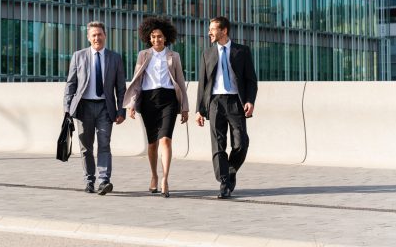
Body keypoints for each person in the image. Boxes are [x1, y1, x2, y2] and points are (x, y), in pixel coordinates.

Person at [124, 17, 189, 198]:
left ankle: (165, 179)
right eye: (153, 37)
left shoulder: (173, 56)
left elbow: (181, 82)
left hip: (168, 99)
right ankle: (154, 175)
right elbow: (137, 81)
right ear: (148, 38)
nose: (156, 40)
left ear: (166, 38)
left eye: (159, 36)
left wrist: (184, 107)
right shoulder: (143, 55)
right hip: (148, 100)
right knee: (152, 143)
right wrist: (131, 105)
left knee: (166, 140)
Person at [195, 16, 258, 199]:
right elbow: (202, 83)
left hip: (235, 102)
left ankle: (230, 170)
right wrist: (200, 109)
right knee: (218, 145)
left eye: (212, 29)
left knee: (241, 143)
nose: (209, 33)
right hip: (214, 102)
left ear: (224, 31)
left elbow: (251, 80)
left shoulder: (242, 51)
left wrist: (250, 100)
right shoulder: (207, 53)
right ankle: (224, 183)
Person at [64, 21, 126, 195]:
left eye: (99, 34)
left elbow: (121, 88)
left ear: (105, 35)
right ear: (88, 38)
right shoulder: (78, 56)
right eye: (93, 35)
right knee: (86, 147)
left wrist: (122, 110)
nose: (97, 38)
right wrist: (67, 109)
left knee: (104, 144)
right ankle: (89, 180)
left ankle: (104, 181)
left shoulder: (115, 58)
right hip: (84, 107)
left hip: (105, 108)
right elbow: (71, 84)